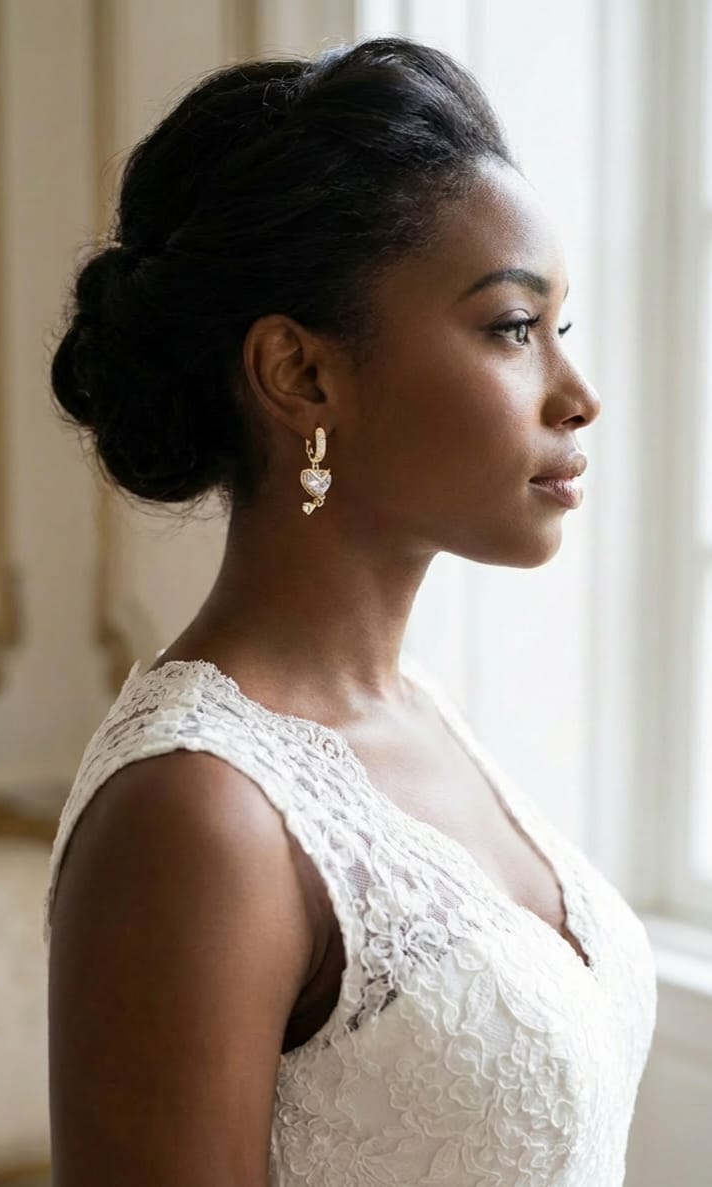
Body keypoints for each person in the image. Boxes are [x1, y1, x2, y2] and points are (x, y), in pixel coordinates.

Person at [43, 36, 657, 1187]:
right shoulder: (197, 812)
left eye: (556, 328)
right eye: (511, 327)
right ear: (301, 376)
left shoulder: (422, 710)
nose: (576, 396)